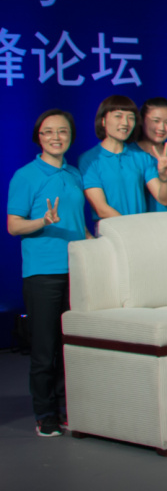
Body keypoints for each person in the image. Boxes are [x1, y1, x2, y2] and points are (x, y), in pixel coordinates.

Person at [8, 110, 89, 437]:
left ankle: (68, 408)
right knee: (45, 348)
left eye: (63, 131)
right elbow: (14, 226)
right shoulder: (26, 175)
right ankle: (46, 414)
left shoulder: (74, 173)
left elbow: (79, 224)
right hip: (44, 273)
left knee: (71, 346)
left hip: (77, 270)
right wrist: (43, 221)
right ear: (38, 137)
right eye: (48, 132)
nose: (56, 137)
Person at [81, 95, 167, 226]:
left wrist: (164, 177)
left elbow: (163, 199)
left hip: (140, 230)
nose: (125, 123)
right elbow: (101, 209)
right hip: (112, 231)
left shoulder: (141, 156)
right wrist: (131, 228)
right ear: (103, 121)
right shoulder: (89, 159)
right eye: (118, 116)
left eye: (131, 118)